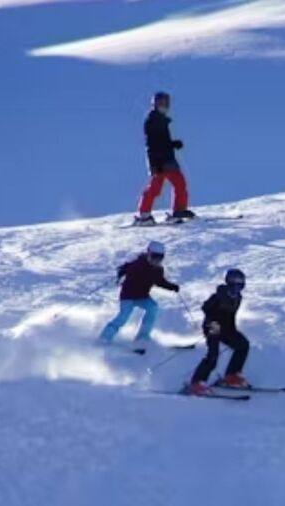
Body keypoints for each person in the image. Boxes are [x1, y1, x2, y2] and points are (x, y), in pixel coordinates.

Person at [99, 241, 180, 344]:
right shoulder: (138, 264)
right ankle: (105, 338)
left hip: (142, 297)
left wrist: (172, 287)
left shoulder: (158, 269)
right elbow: (126, 268)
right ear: (148, 254)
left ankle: (142, 337)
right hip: (128, 296)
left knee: (153, 307)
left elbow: (160, 282)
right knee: (123, 317)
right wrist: (121, 273)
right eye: (154, 256)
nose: (156, 260)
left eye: (160, 258)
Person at [135, 91, 195, 226]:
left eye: (166, 103)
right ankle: (144, 215)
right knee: (157, 186)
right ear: (155, 104)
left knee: (179, 183)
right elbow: (153, 143)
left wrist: (173, 144)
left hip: (167, 158)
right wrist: (156, 162)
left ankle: (177, 211)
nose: (164, 106)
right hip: (160, 160)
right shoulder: (153, 120)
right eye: (161, 103)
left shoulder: (160, 120)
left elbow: (162, 141)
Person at [188, 269, 251, 396]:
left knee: (243, 345)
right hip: (213, 327)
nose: (237, 287)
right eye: (235, 284)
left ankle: (232, 375)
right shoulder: (219, 295)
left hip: (227, 329)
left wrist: (232, 331)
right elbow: (205, 307)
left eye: (241, 285)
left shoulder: (238, 298)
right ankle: (197, 383)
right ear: (229, 283)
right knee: (213, 356)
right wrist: (213, 322)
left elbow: (231, 316)